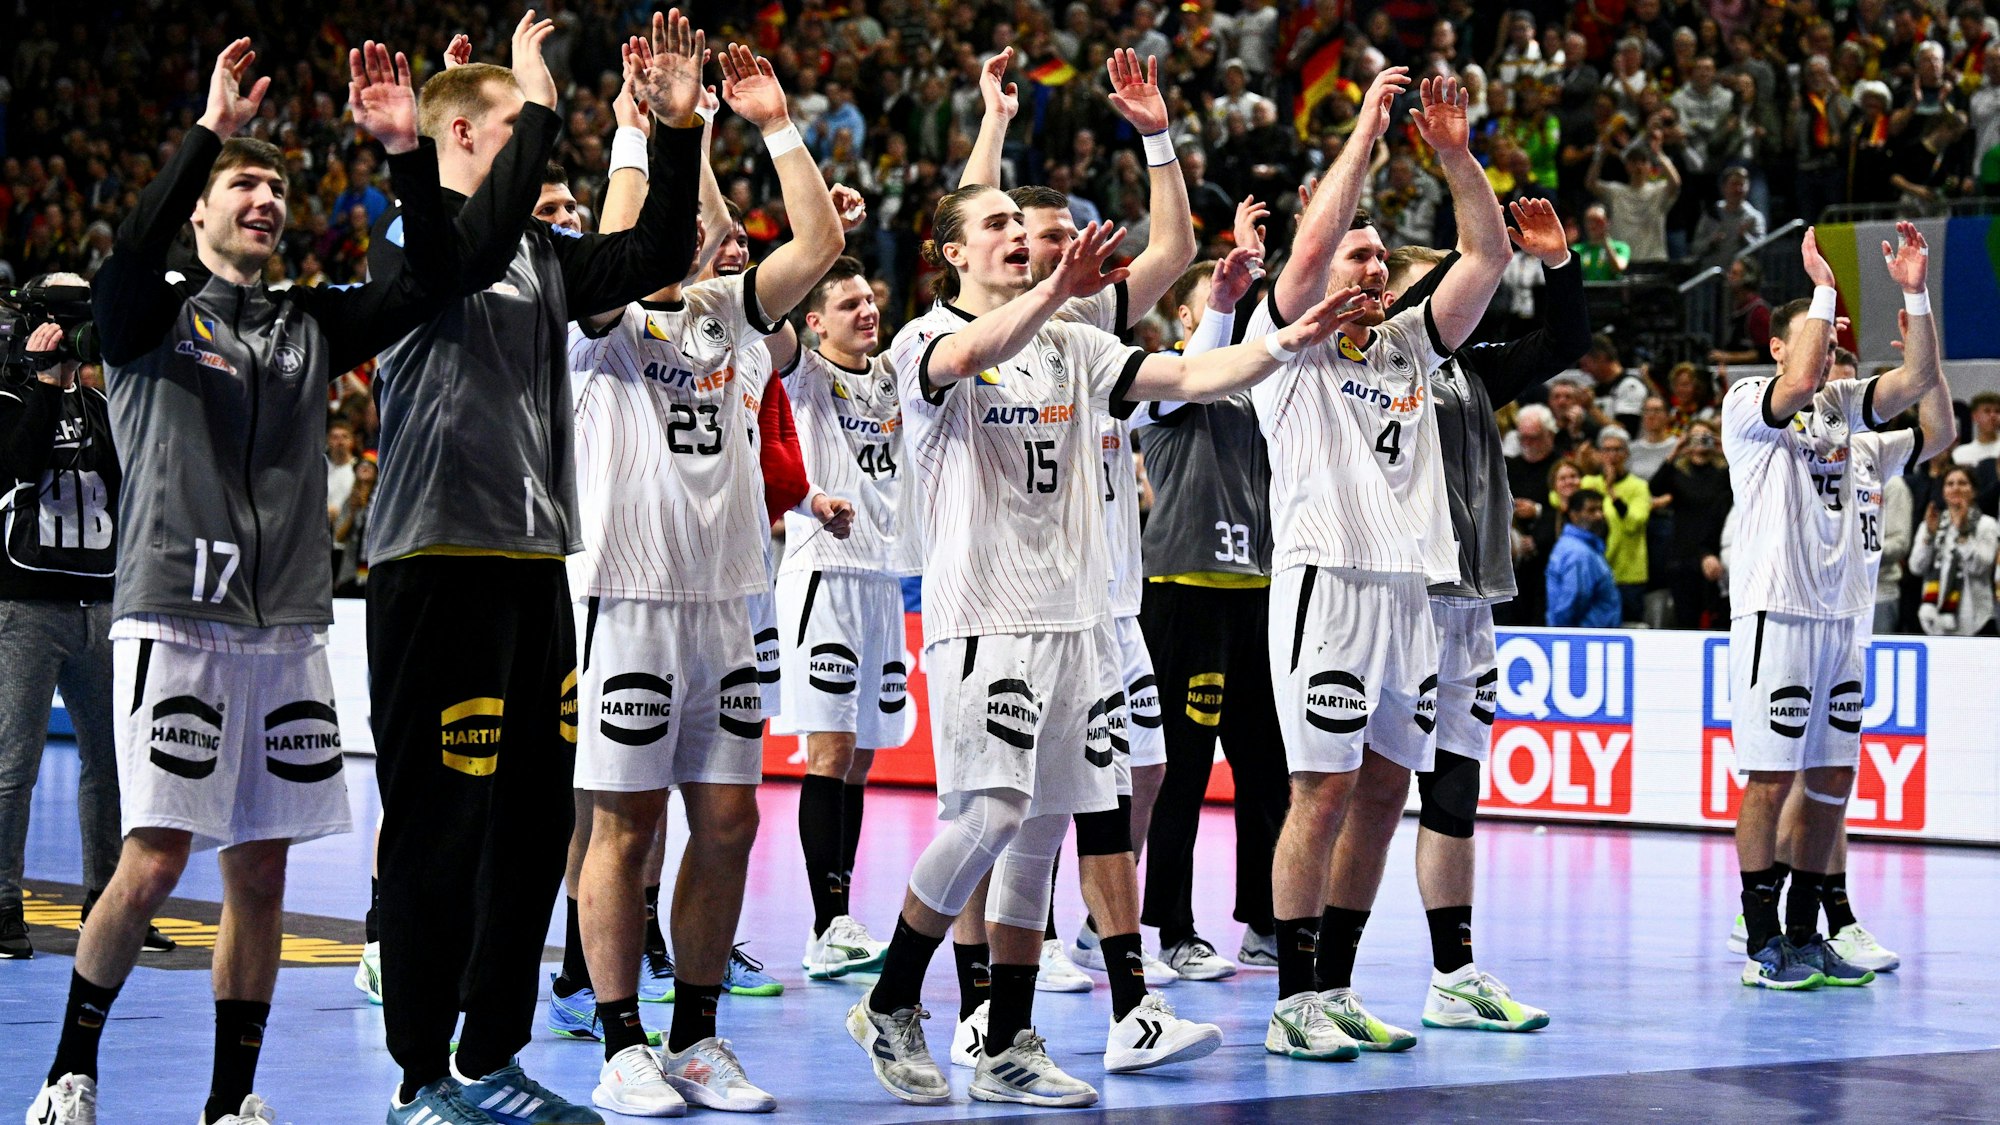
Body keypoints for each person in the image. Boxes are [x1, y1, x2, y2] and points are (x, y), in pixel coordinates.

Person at [28, 37, 465, 1125]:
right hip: (175, 618)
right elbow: (126, 257)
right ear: (202, 211)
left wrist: (407, 153)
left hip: (289, 632)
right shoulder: (147, 318)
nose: (264, 198)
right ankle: (69, 1073)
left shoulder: (311, 323)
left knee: (261, 872)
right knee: (157, 855)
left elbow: (433, 281)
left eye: (274, 185)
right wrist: (207, 133)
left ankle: (232, 1100)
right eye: (242, 186)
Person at [849, 186, 1364, 1105]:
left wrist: (1286, 337)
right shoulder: (922, 340)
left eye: (1022, 222)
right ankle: (892, 998)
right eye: (997, 226)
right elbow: (976, 349)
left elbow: (1189, 380)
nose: (1015, 235)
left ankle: (1007, 1038)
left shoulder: (1076, 347)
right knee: (990, 815)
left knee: (1041, 833)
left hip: (1081, 622)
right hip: (986, 621)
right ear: (951, 254)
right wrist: (1053, 293)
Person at [363, 14, 703, 1124]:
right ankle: (419, 1072)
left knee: (526, 829)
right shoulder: (412, 237)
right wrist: (542, 93)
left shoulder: (540, 255)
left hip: (531, 562)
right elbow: (465, 248)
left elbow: (650, 260)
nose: (535, 152)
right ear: (459, 133)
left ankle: (491, 1056)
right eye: (517, 130)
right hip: (432, 558)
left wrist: (677, 126)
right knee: (439, 829)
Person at [563, 41, 848, 1114]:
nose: (698, 239)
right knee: (623, 827)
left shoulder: (737, 316)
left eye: (706, 230)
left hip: (729, 602)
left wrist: (769, 123)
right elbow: (623, 234)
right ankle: (617, 1044)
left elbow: (818, 240)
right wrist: (643, 128)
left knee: (727, 823)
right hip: (628, 601)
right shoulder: (604, 320)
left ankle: (695, 1036)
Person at [1252, 70, 1511, 1063]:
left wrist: (1452, 154)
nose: (1364, 265)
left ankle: (1336, 985)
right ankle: (1289, 1002)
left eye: (1376, 257)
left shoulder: (1411, 340)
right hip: (1328, 583)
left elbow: (1485, 252)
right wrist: (1363, 132)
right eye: (1354, 251)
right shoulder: (1292, 341)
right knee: (1316, 794)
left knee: (1378, 795)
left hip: (1409, 592)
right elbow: (1310, 244)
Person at [955, 47, 1210, 999]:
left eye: (1073, 232)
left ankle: (1080, 952)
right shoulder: (967, 336)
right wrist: (993, 125)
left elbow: (1177, 253)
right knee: (1002, 804)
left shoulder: (1089, 330)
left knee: (1135, 774)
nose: (1063, 247)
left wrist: (1157, 138)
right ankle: (979, 983)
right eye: (1041, 234)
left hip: (1109, 599)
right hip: (1010, 599)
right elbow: (971, 220)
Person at [1350, 194, 1584, 1039]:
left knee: (1454, 793)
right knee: (1368, 793)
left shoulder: (1474, 369)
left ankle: (1454, 973)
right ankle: (1324, 980)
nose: (1457, 302)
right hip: (1396, 596)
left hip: (1472, 599)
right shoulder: (1370, 368)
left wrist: (1558, 264)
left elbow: (1569, 342)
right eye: (1436, 286)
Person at [1721, 222, 1944, 992]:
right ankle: (1759, 942)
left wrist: (1914, 291)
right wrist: (1823, 288)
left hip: (1841, 622)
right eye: (1813, 337)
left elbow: (1918, 387)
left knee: (1829, 781)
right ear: (1781, 347)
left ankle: (1807, 931)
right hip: (1775, 614)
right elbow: (1805, 374)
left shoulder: (1847, 412)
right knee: (1770, 781)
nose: (1827, 350)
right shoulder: (1749, 401)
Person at [0, 274, 174, 963]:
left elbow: (134, 482)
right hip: (26, 604)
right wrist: (44, 385)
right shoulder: (10, 397)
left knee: (109, 764)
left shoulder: (103, 401)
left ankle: (109, 903)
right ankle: (3, 902)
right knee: (15, 763)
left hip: (100, 603)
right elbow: (17, 465)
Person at [1134, 237, 1291, 982]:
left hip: (1253, 595)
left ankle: (1263, 920)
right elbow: (1204, 365)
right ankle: (1170, 926)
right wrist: (1225, 304)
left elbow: (1269, 342)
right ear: (1189, 319)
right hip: (1182, 594)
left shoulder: (1258, 397)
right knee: (1183, 771)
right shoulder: (1162, 387)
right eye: (1215, 304)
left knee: (1268, 771)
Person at [779, 253, 910, 983]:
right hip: (821, 574)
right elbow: (773, 307)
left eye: (871, 299)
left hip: (881, 581)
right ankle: (825, 924)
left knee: (859, 759)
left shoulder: (891, 374)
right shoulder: (802, 371)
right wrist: (820, 242)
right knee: (828, 752)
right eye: (849, 303)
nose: (867, 310)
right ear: (815, 319)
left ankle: (843, 915)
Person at [1648, 418, 1733, 629]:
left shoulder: (1724, 473)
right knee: (1686, 618)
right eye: (1695, 436)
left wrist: (1726, 449)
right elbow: (1655, 488)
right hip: (1682, 554)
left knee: (1719, 617)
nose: (1701, 441)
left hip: (1714, 553)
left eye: (1706, 436)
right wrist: (1676, 450)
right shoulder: (1678, 474)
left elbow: (1744, 482)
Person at [1912, 465, 2000, 635]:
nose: (1955, 488)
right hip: (1935, 622)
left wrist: (1963, 533)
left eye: (1962, 483)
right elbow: (1916, 567)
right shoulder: (1932, 524)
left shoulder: (1986, 525)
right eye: (1950, 484)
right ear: (1943, 491)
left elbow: (1979, 567)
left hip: (1976, 620)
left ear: (1973, 491)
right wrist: (1929, 536)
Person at [1581, 425, 1651, 622]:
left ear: (1627, 453)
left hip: (1628, 576)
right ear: (1599, 454)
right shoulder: (1588, 483)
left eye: (1617, 449)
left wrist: (1611, 490)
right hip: (1594, 572)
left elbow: (1633, 523)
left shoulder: (1639, 487)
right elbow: (1560, 499)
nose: (1612, 455)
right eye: (1606, 449)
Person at [1545, 489, 1621, 627]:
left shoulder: (1585, 548)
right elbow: (1574, 600)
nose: (1599, 515)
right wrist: (1567, 636)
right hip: (1584, 640)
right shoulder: (1578, 553)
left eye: (1600, 509)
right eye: (1591, 510)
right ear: (1574, 515)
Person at [1628, 396, 1680, 480]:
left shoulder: (1678, 447)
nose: (1651, 415)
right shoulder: (1631, 449)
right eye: (1646, 411)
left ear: (1668, 416)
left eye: (1657, 411)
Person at [1954, 391, 2000, 467]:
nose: (1993, 416)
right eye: (1987, 411)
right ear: (1974, 416)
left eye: (1997, 411)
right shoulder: (1960, 454)